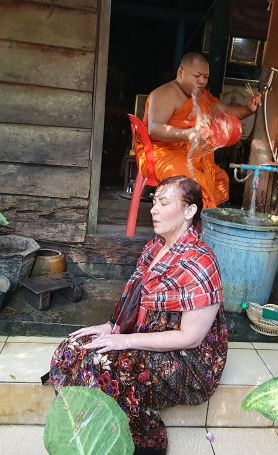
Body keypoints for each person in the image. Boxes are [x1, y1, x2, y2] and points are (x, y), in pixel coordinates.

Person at [44, 176, 228, 454]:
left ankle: (144, 440)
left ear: (189, 211)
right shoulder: (156, 246)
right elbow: (134, 297)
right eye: (154, 201)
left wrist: (126, 341)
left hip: (188, 361)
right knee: (72, 347)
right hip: (146, 336)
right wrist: (111, 327)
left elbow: (191, 338)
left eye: (164, 203)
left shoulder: (201, 261)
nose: (153, 209)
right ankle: (90, 425)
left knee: (100, 362)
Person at [139, 52, 261, 209]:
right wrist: (187, 134)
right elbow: (154, 129)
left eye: (206, 77)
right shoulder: (165, 93)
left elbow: (224, 111)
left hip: (189, 154)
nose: (202, 81)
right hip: (159, 153)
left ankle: (197, 217)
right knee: (191, 181)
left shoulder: (202, 96)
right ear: (181, 72)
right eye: (197, 76)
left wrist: (248, 109)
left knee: (220, 179)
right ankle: (188, 223)